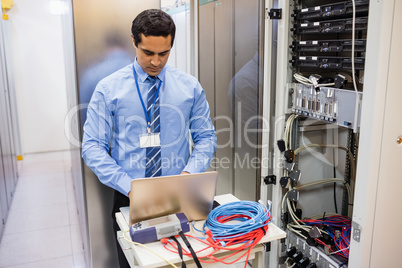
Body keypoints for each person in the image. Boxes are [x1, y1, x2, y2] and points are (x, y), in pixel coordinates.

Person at [81, 9, 217, 268]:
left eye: (163, 54)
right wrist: (129, 186)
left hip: (179, 195)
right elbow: (92, 147)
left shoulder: (189, 88)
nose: (156, 62)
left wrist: (189, 176)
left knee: (181, 262)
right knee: (134, 263)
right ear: (134, 42)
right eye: (148, 53)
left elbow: (206, 137)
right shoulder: (110, 89)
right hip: (129, 197)